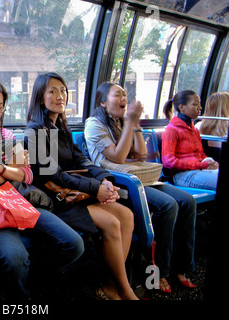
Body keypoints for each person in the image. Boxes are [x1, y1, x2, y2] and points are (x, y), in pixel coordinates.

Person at [0, 77, 84, 299]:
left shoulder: (7, 135)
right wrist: (11, 168)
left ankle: (32, 286)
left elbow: (27, 175)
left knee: (73, 243)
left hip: (16, 200)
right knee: (14, 258)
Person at [26, 73, 138, 300]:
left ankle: (111, 286)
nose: (60, 96)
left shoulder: (63, 129)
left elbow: (82, 161)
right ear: (40, 98)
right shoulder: (34, 132)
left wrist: (105, 179)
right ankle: (125, 291)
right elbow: (54, 176)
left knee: (126, 216)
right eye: (53, 91)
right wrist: (95, 188)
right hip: (56, 199)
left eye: (63, 90)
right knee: (112, 222)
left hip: (76, 194)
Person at [85, 81, 197, 294]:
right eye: (117, 94)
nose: (123, 99)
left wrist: (134, 124)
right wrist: (129, 123)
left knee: (187, 201)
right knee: (168, 205)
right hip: (118, 181)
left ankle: (182, 267)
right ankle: (161, 272)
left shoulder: (121, 122)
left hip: (140, 177)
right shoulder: (94, 124)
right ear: (102, 101)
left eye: (125, 94)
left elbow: (140, 154)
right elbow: (117, 157)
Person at [162, 90, 219, 190]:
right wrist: (200, 165)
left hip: (199, 171)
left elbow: (200, 154)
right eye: (195, 104)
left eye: (200, 104)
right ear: (181, 107)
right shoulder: (171, 130)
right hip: (183, 175)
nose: (200, 108)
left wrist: (209, 162)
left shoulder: (194, 130)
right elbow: (168, 161)